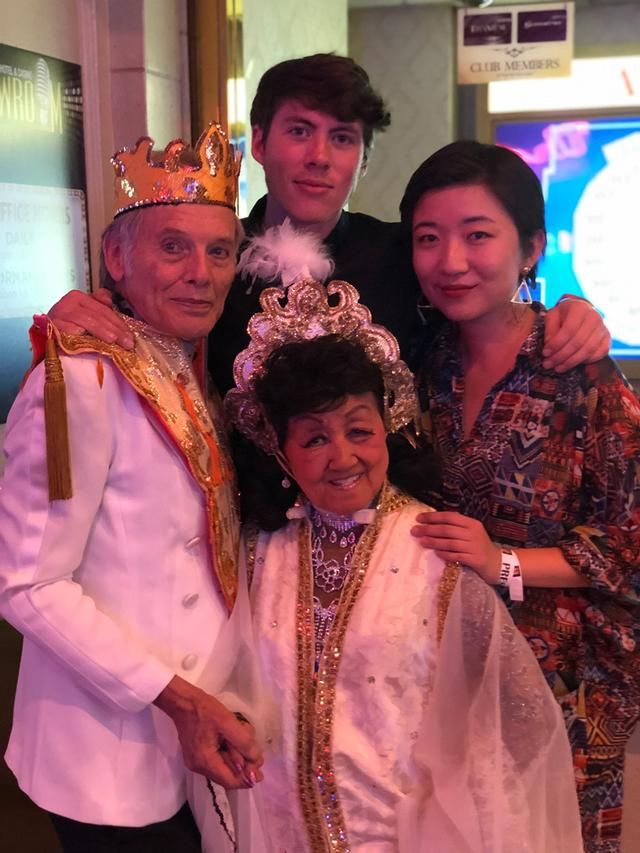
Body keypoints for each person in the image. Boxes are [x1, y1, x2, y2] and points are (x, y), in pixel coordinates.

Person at [216, 265, 583, 852]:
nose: (343, 458)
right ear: (280, 452)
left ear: (387, 427)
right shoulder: (260, 553)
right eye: (314, 439)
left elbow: (495, 735)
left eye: (359, 431)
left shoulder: (436, 551)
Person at [44, 54, 610, 394]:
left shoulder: (404, 254)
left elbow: (484, 306)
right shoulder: (208, 258)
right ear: (259, 142)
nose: (319, 157)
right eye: (299, 131)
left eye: (342, 138)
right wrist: (77, 317)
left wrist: (569, 312)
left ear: (363, 161)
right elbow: (123, 327)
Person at [0, 125, 263, 852]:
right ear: (117, 259)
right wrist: (178, 700)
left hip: (197, 736)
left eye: (219, 252)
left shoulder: (186, 363)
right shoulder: (79, 379)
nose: (200, 274)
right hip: (109, 751)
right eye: (173, 247)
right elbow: (26, 585)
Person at [399, 139, 640, 853]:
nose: (451, 261)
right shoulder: (421, 366)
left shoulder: (579, 371)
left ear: (531, 247)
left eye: (478, 235)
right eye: (428, 238)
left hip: (563, 683)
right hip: (441, 670)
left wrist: (501, 560)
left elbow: (630, 544)